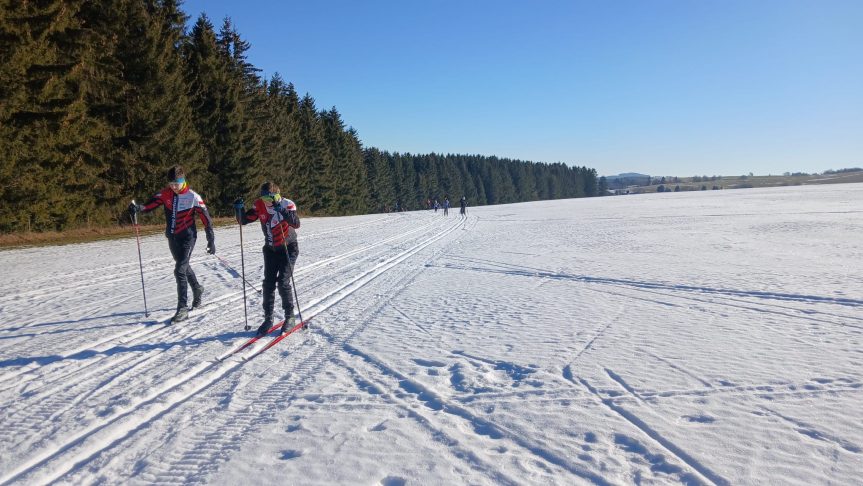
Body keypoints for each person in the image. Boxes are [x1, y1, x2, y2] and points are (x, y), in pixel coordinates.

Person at [129, 166, 215, 323]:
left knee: (179, 271)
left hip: (188, 238)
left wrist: (211, 240)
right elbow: (149, 206)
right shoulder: (165, 194)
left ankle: (182, 308)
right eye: (171, 184)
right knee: (183, 266)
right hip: (172, 237)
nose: (173, 187)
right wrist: (137, 208)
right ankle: (197, 288)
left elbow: (206, 219)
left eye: (177, 184)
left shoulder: (193, 197)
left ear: (183, 181)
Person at [234, 182, 301, 336]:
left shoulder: (287, 204)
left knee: (283, 282)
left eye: (270, 197)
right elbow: (243, 220)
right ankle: (268, 318)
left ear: (277, 195)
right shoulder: (259, 205)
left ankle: (289, 317)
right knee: (268, 284)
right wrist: (238, 209)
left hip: (288, 247)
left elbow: (296, 223)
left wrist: (281, 209)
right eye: (264, 197)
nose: (267, 200)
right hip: (270, 249)